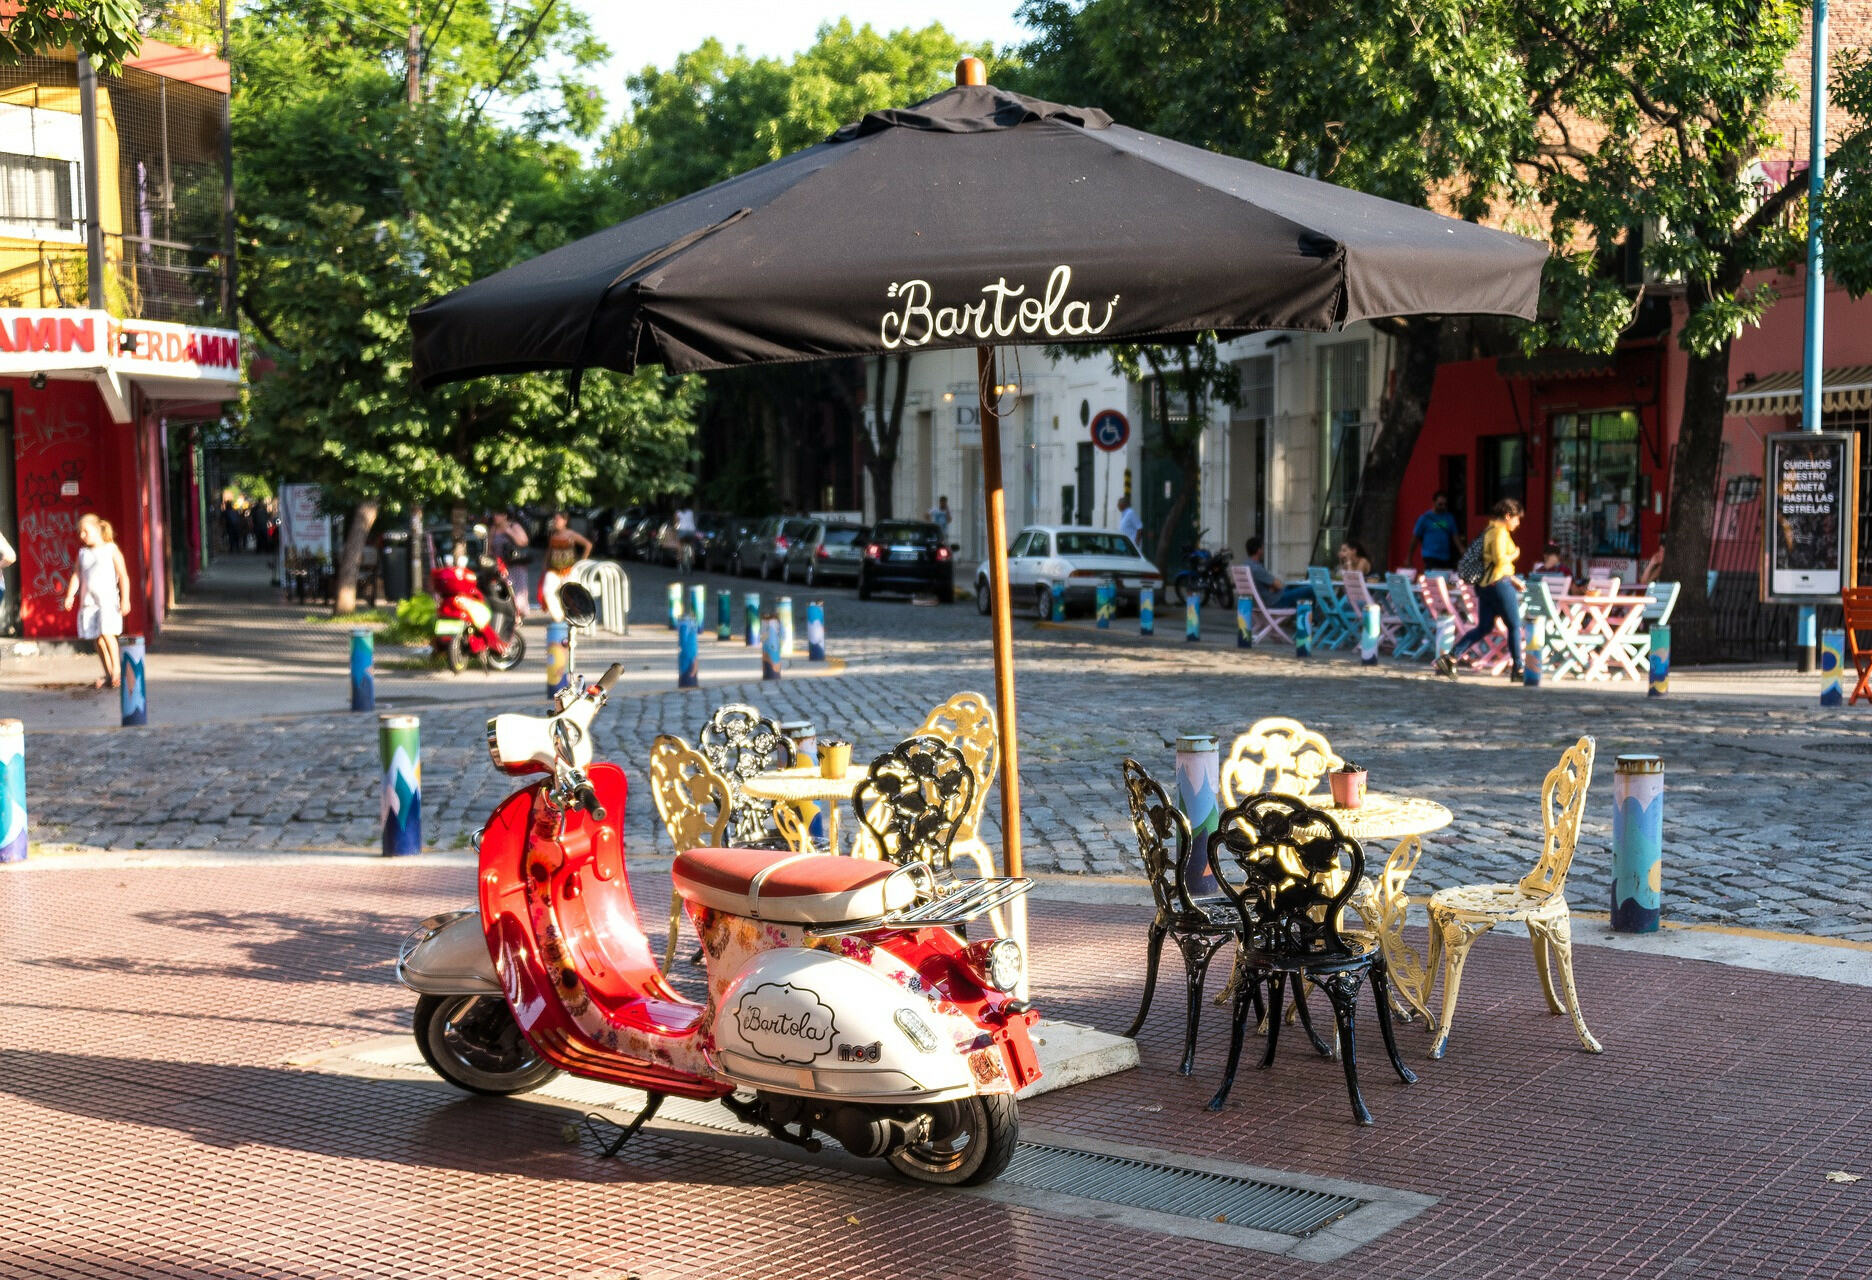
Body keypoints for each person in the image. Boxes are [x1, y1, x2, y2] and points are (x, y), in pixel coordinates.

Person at [1437, 498, 1525, 681]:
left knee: (1484, 626)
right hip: (1499, 585)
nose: (1517, 524)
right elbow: (1501, 560)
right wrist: (1515, 554)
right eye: (1516, 519)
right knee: (1515, 625)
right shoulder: (1500, 533)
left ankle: (1451, 657)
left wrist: (1513, 578)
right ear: (1508, 516)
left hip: (1485, 585)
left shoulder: (1489, 530)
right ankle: (1519, 669)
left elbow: (1491, 563)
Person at [63, 513, 130, 690]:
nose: (82, 536)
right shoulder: (83, 553)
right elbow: (77, 574)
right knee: (97, 640)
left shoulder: (111, 549)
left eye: (86, 531)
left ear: (98, 528)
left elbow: (122, 575)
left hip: (107, 601)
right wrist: (70, 595)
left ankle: (117, 671)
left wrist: (125, 599)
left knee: (108, 634)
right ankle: (108, 674)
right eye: (80, 533)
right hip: (89, 603)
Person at [538, 511, 592, 622]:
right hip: (554, 569)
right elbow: (550, 550)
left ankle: (577, 617)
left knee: (571, 595)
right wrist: (545, 564)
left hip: (569, 570)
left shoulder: (571, 534)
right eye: (555, 519)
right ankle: (558, 617)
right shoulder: (553, 534)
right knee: (547, 591)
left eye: (558, 519)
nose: (555, 522)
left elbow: (588, 545)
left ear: (565, 521)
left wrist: (582, 562)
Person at [1243, 535, 1313, 609]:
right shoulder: (1256, 568)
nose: (1263, 551)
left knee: (1293, 587)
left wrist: (1272, 587)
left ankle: (1307, 616)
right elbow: (1279, 585)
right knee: (1312, 589)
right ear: (1259, 550)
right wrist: (1273, 587)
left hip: (1266, 599)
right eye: (1263, 548)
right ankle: (1315, 618)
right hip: (1275, 601)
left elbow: (1273, 586)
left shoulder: (1246, 565)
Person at [1410, 491, 1466, 571]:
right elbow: (1415, 538)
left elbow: (1455, 535)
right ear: (1434, 502)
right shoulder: (1425, 518)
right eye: (1440, 504)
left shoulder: (1449, 518)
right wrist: (1409, 557)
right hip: (1430, 555)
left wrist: (1461, 549)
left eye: (1445, 504)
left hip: (1445, 556)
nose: (1443, 507)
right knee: (1433, 579)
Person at [488, 512, 530, 617]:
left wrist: (509, 531)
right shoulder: (493, 529)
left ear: (505, 516)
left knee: (518, 592)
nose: (495, 516)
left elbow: (523, 542)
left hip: (515, 565)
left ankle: (519, 614)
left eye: (498, 514)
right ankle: (511, 615)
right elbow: (489, 549)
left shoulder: (513, 526)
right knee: (504, 592)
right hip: (501, 566)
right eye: (495, 514)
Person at [673, 503, 698, 573]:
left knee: (680, 546)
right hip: (691, 531)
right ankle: (693, 560)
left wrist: (675, 530)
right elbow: (692, 521)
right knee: (692, 546)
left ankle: (680, 563)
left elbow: (676, 523)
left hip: (682, 530)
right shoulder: (691, 512)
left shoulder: (677, 512)